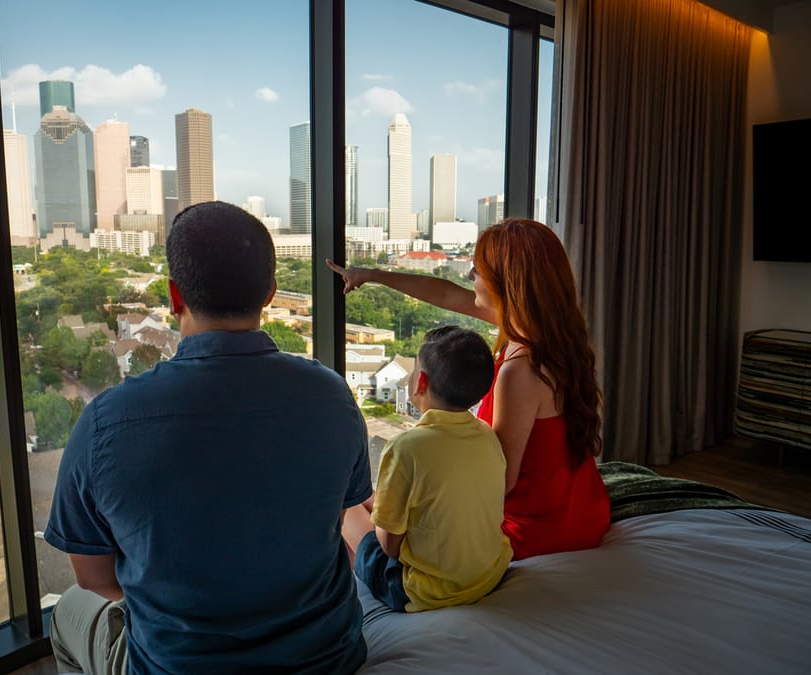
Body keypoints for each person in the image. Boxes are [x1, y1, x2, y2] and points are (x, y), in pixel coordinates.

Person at [45, 201, 372, 674]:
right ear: (271, 294)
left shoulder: (105, 423)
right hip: (326, 662)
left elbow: (94, 578)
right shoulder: (333, 397)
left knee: (67, 614)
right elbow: (340, 514)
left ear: (175, 296)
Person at [327, 218, 610, 560]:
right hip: (582, 511)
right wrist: (372, 275)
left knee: (350, 508)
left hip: (537, 531)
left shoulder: (520, 370)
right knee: (376, 498)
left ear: (505, 284)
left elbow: (499, 480)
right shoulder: (549, 334)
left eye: (477, 271)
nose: (469, 277)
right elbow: (445, 294)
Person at [342, 325, 512, 612]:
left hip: (428, 591)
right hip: (488, 574)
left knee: (348, 507)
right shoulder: (486, 434)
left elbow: (389, 548)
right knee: (375, 499)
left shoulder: (406, 448)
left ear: (420, 381)